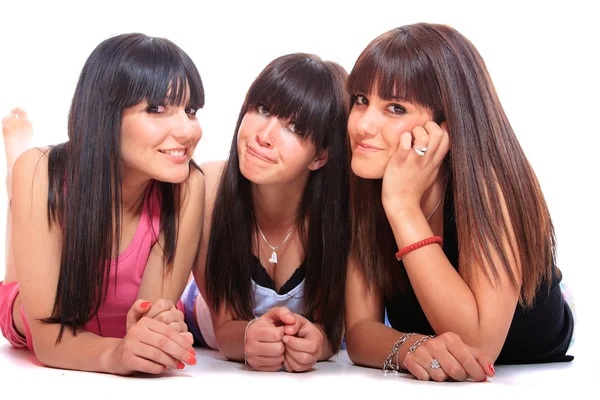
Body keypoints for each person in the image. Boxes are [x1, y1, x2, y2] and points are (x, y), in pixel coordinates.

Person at [344, 23, 574, 382]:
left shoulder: (490, 184)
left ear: (446, 127)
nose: (363, 125)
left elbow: (478, 347)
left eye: (395, 108)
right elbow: (359, 331)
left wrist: (403, 205)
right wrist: (409, 348)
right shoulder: (367, 186)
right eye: (361, 100)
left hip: (535, 345)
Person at [0, 32, 206, 375]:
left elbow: (146, 324)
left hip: (110, 330)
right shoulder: (40, 174)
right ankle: (14, 173)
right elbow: (49, 338)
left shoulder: (188, 186)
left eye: (190, 110)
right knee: (29, 180)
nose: (187, 131)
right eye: (156, 109)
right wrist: (116, 356)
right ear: (104, 114)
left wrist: (153, 330)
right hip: (36, 313)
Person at [182, 53, 350, 372]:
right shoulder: (210, 186)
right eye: (263, 109)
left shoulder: (340, 214)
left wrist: (316, 343)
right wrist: (247, 337)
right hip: (203, 322)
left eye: (295, 127)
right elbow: (226, 328)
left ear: (321, 156)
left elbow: (333, 332)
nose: (264, 136)